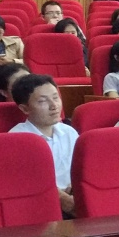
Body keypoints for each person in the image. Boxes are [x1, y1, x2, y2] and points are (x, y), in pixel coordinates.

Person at [10, 73, 76, 216]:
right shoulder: (16, 139)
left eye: (55, 97)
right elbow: (28, 182)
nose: (54, 106)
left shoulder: (69, 131)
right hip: (38, 205)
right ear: (25, 109)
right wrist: (62, 199)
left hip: (74, 196)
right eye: (42, 101)